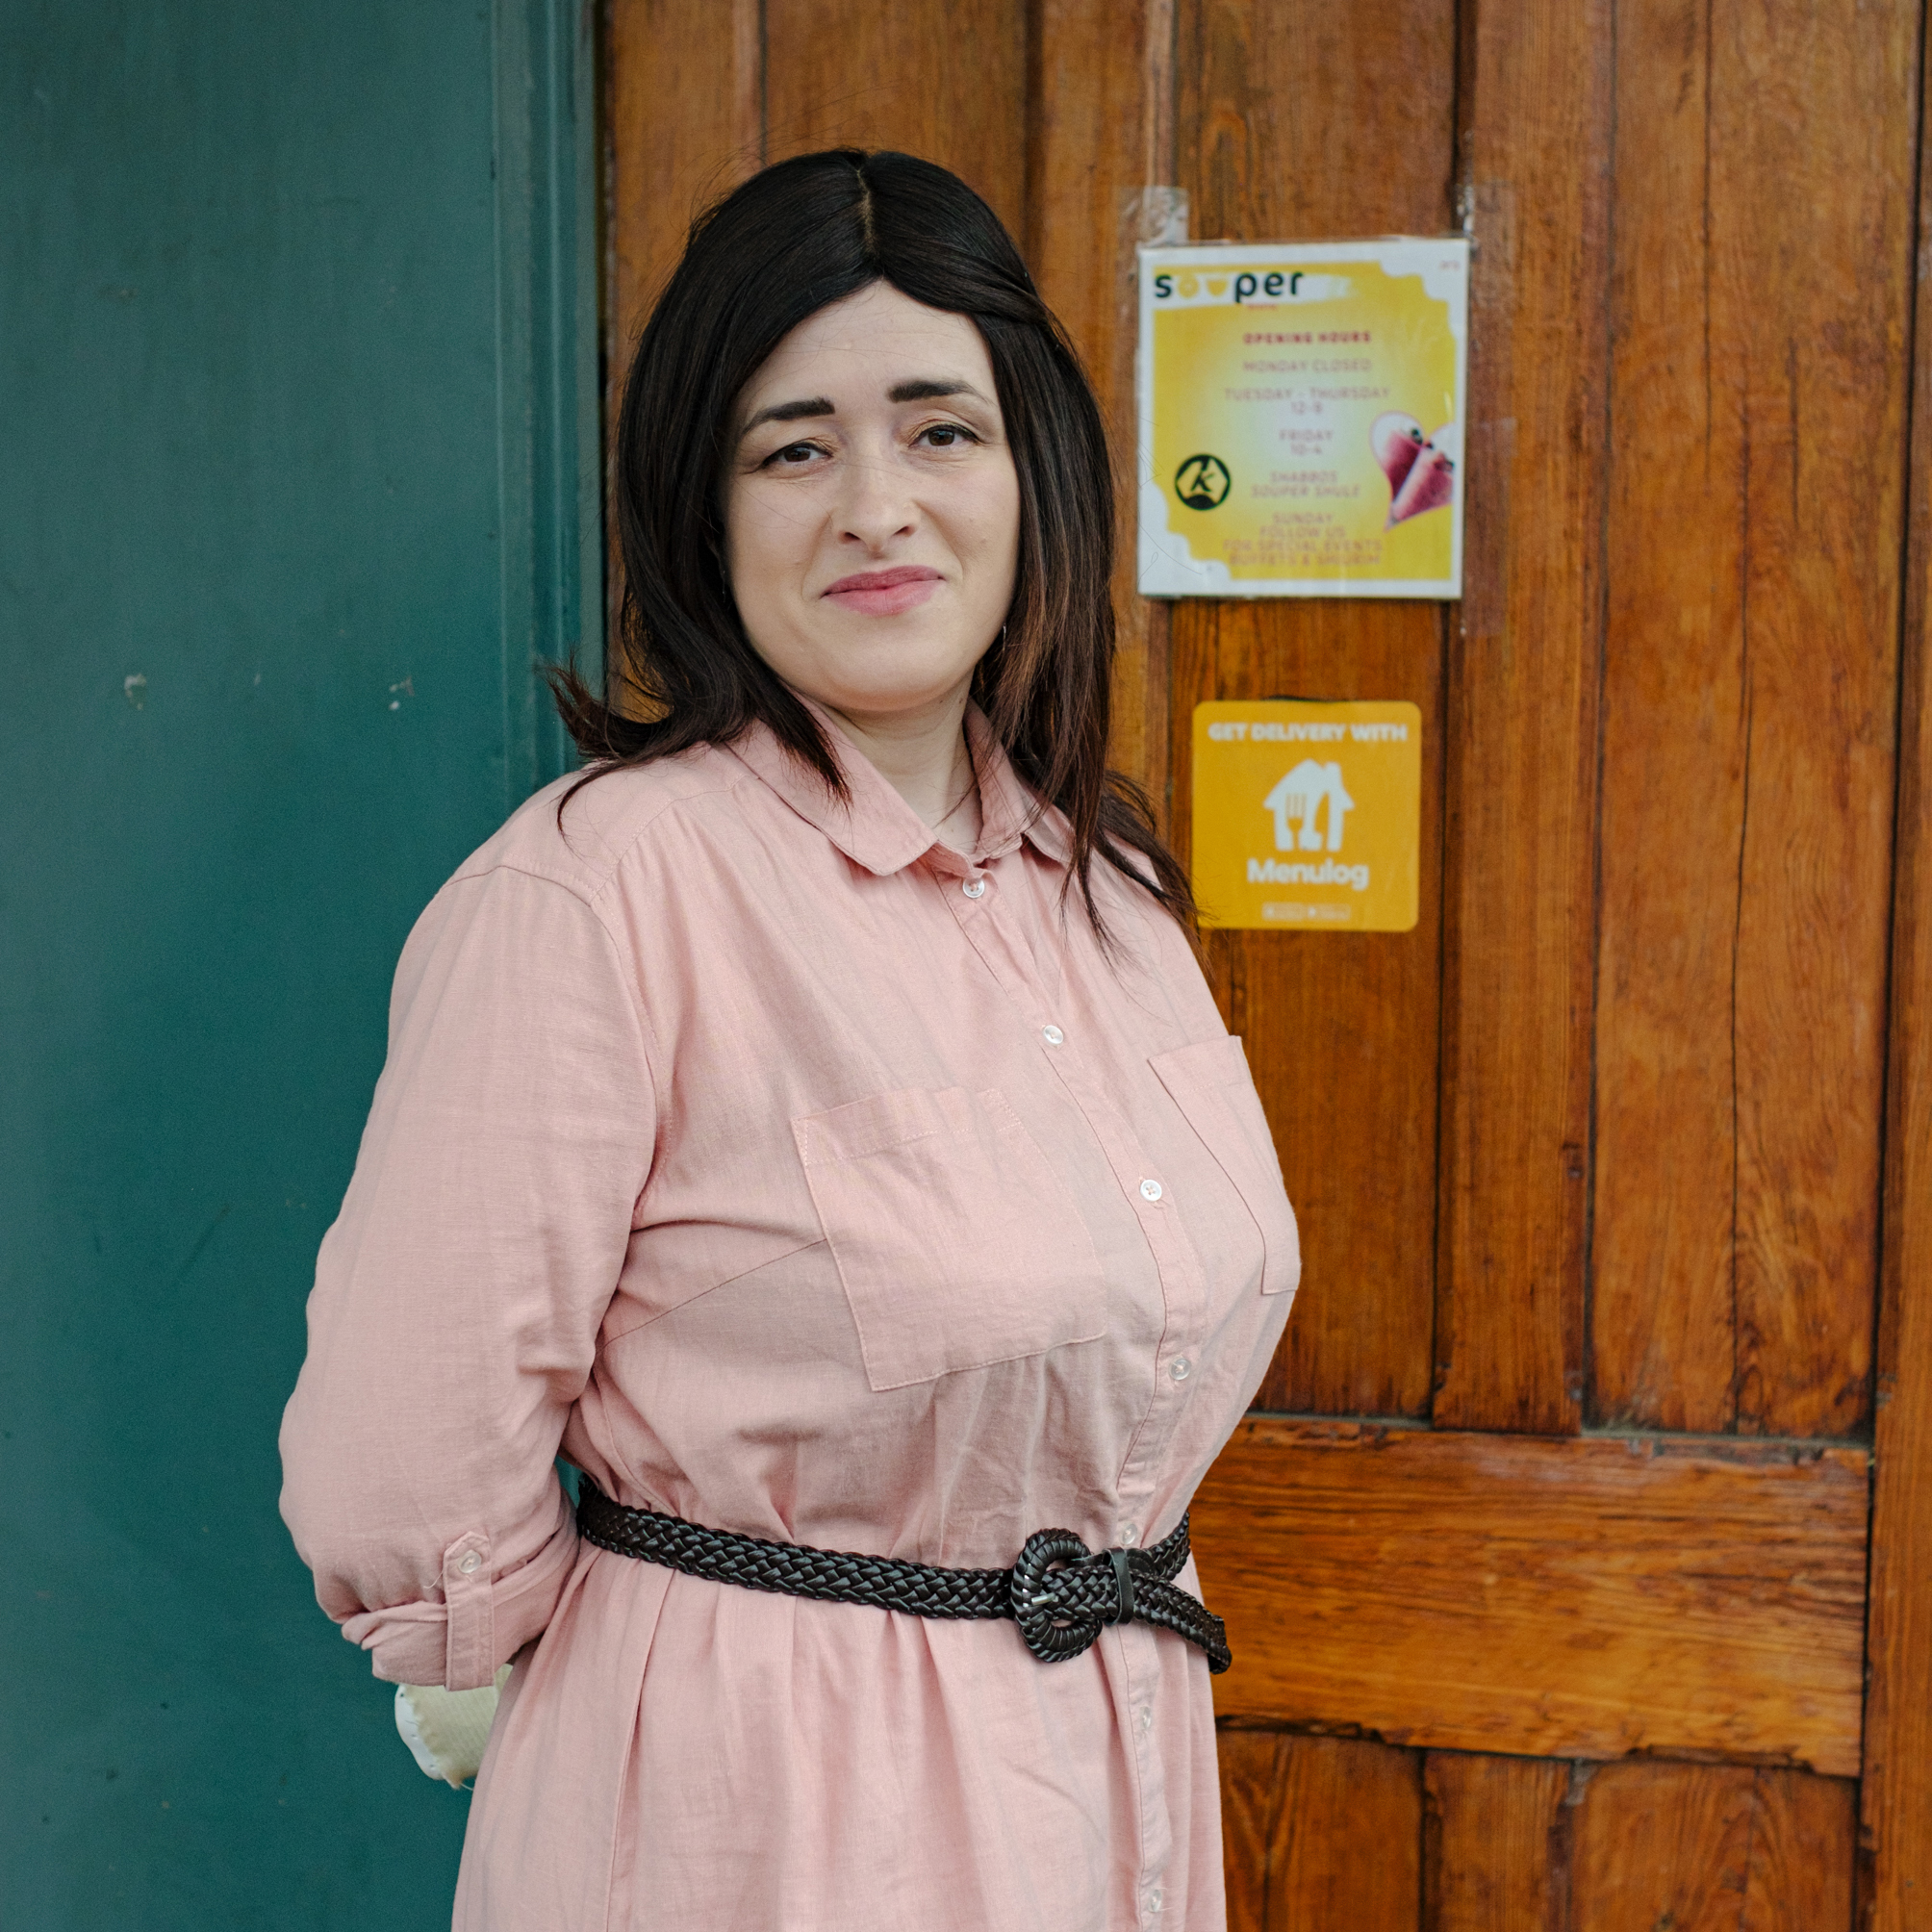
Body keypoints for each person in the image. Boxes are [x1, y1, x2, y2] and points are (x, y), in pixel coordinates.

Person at [280, 147, 1299, 1932]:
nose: (877, 506)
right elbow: (401, 1457)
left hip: (1109, 1804)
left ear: (1032, 471)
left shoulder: (1106, 891)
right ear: (703, 506)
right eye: (795, 447)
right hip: (766, 1825)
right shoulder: (603, 898)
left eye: (939, 429)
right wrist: (646, 1663)